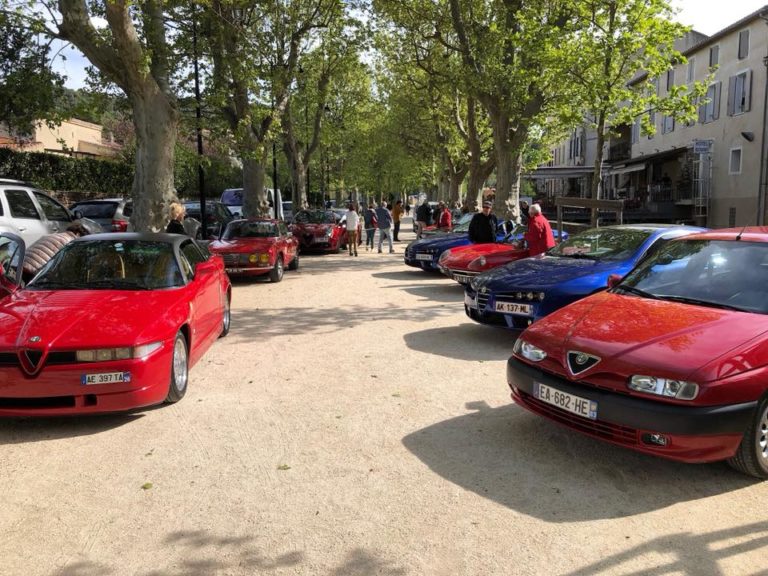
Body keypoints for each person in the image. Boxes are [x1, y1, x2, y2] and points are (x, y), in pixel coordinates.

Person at [22, 219, 101, 281]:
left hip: (20, 267)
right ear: (78, 234)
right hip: (35, 272)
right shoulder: (70, 243)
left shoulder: (50, 236)